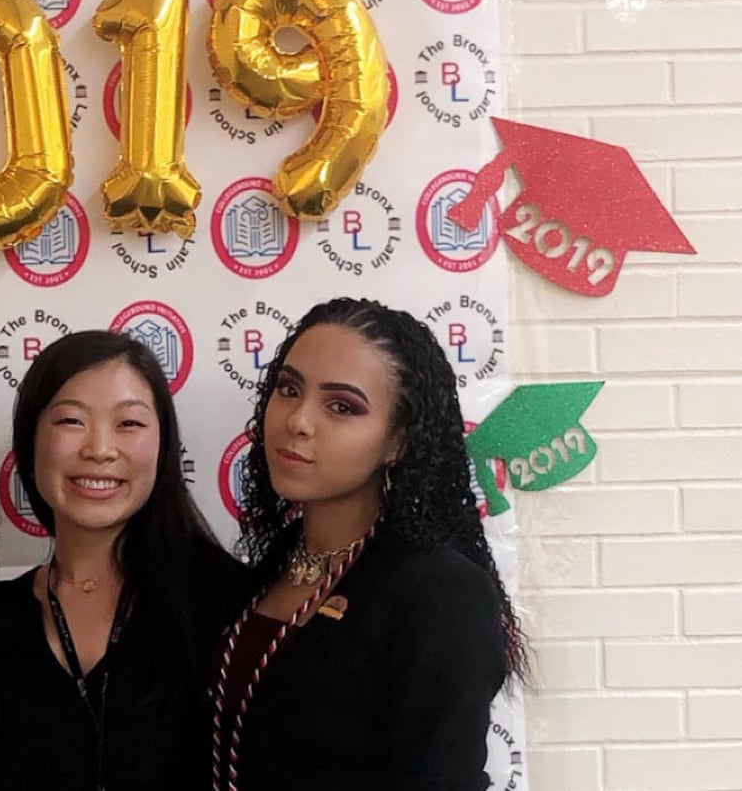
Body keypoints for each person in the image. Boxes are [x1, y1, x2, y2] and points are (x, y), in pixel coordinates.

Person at [208, 298, 526, 791]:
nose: (298, 421)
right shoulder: (270, 569)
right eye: (288, 390)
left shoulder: (438, 592)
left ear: (398, 441)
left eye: (341, 407)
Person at [0, 331, 248, 791]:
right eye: (71, 421)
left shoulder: (230, 604)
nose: (100, 449)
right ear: (30, 440)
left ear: (163, 446)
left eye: (129, 424)